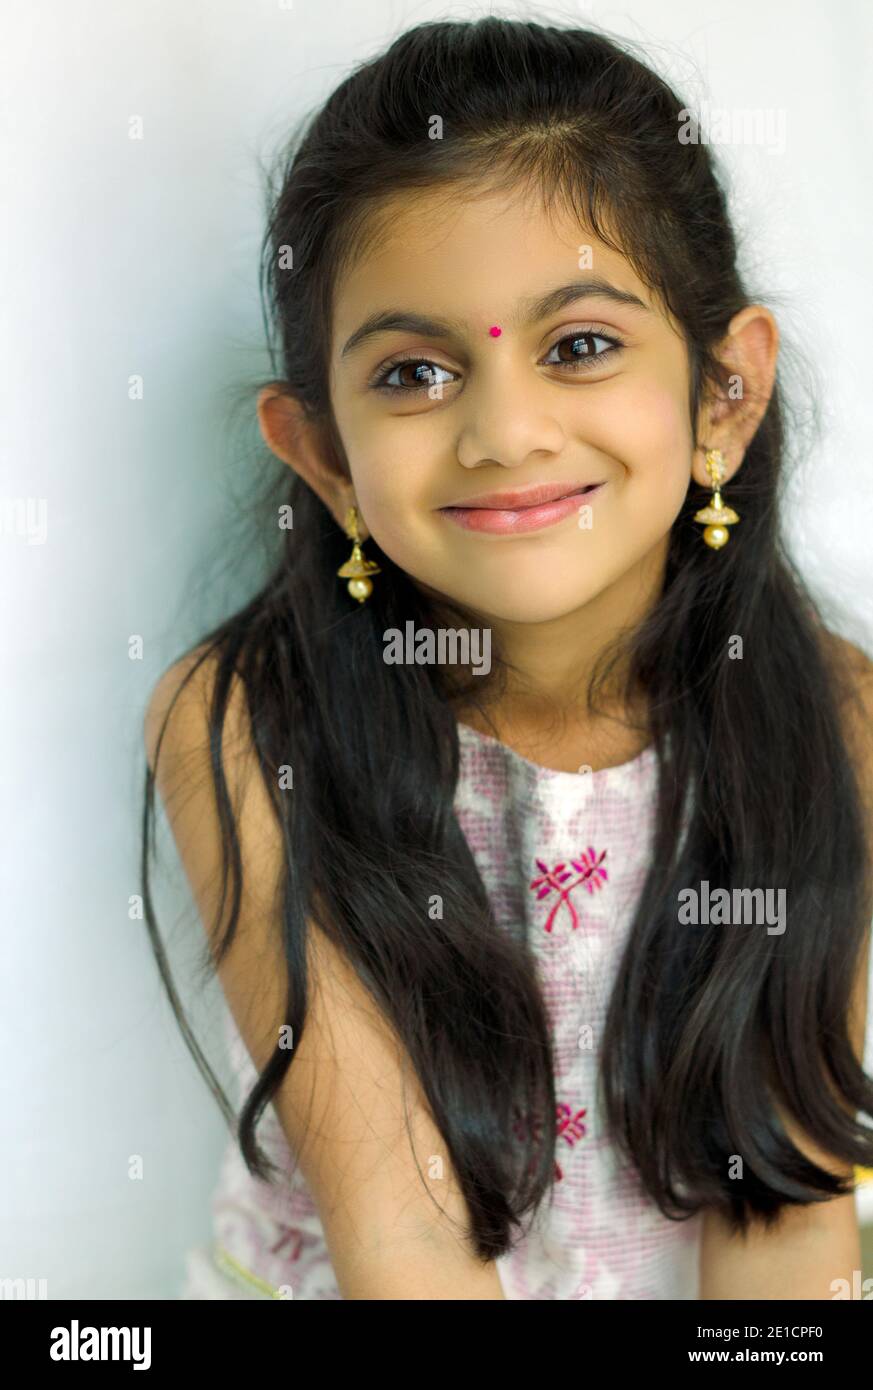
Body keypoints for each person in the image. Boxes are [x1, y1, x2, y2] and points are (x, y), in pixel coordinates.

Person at [143, 18, 873, 1300]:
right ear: (323, 459)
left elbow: (783, 1207)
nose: (503, 430)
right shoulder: (248, 725)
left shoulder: (838, 712)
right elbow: (405, 1237)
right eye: (415, 372)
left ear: (724, 398)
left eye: (580, 345)